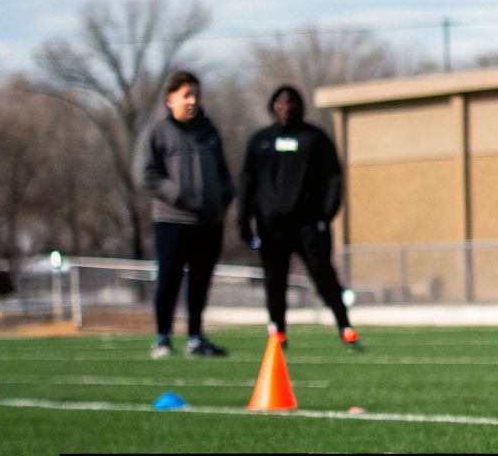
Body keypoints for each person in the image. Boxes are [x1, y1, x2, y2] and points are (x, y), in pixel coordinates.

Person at [237, 85, 361, 350]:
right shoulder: (261, 141)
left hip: (308, 226)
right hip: (271, 226)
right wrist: (243, 221)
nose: (286, 110)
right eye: (280, 105)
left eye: (291, 105)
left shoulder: (314, 139)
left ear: (300, 107)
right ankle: (278, 332)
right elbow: (247, 182)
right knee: (275, 280)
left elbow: (333, 179)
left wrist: (324, 216)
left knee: (323, 275)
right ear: (272, 107)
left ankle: (345, 326)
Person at [134, 69, 232, 359]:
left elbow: (224, 172)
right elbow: (145, 175)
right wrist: (177, 196)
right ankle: (163, 338)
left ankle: (195, 337)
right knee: (169, 280)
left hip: (209, 222)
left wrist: (225, 195)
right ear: (170, 99)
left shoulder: (209, 131)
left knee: (201, 282)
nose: (192, 101)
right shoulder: (158, 133)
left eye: (196, 95)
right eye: (186, 95)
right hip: (172, 221)